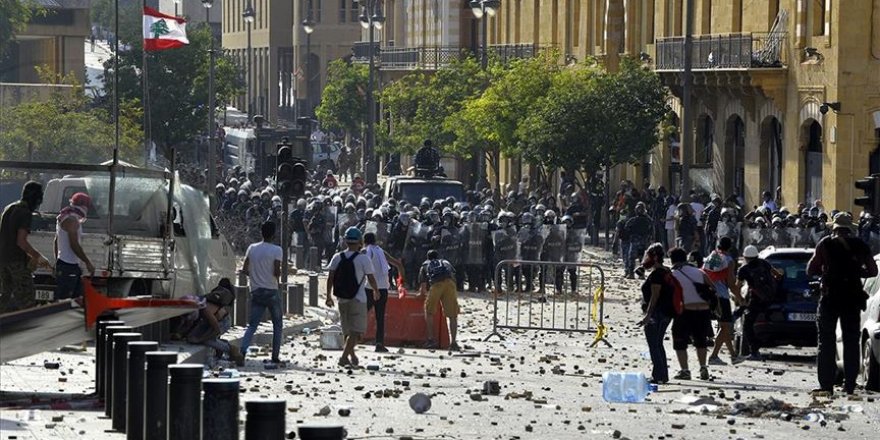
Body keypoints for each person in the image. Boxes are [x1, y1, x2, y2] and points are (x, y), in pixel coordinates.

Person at [807, 212, 878, 396]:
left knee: (826, 342)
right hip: (852, 298)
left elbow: (810, 269)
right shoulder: (860, 245)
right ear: (850, 229)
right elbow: (872, 270)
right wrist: (855, 272)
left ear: (835, 228)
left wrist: (827, 272)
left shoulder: (825, 244)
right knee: (851, 341)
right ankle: (850, 386)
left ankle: (826, 386)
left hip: (830, 298)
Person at [327, 227, 380, 367]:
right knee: (356, 332)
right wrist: (376, 290)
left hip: (341, 298)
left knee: (347, 331)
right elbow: (371, 278)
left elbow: (330, 277)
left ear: (345, 241)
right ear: (360, 242)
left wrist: (328, 295)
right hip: (358, 299)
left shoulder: (337, 257)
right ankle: (344, 357)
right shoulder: (364, 259)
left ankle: (351, 355)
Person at [0, 181, 51, 313]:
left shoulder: (9, 208)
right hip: (16, 262)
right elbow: (21, 241)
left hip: (3, 260)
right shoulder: (24, 212)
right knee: (26, 299)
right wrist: (38, 257)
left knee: (4, 296)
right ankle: (30, 329)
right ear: (36, 199)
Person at [241, 221, 285, 364]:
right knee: (277, 324)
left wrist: (254, 276)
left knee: (252, 325)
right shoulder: (277, 250)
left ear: (261, 232)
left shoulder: (252, 248)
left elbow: (244, 269)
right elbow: (276, 271)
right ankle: (275, 356)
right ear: (274, 234)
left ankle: (242, 351)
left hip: (256, 291)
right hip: (272, 290)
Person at [669, 247, 713, 381]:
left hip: (685, 311)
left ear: (672, 260)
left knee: (679, 340)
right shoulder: (700, 272)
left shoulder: (673, 274)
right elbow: (712, 288)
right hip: (704, 311)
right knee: (701, 340)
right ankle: (703, 367)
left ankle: (685, 370)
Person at [184, 278, 245, 367]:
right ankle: (222, 346)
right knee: (193, 339)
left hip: (222, 322)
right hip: (216, 320)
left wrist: (213, 333)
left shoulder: (204, 310)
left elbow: (214, 323)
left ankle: (231, 350)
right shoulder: (199, 308)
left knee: (206, 340)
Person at [637, 243, 675, 384]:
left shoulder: (657, 275)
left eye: (648, 256)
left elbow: (655, 296)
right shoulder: (666, 271)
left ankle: (658, 376)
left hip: (657, 314)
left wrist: (648, 315)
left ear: (655, 257)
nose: (646, 258)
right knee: (658, 344)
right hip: (666, 313)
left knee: (654, 344)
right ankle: (661, 375)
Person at [735, 245, 779, 362]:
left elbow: (737, 287)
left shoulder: (744, 269)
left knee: (747, 325)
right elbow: (777, 275)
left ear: (745, 257)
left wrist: (741, 300)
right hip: (771, 299)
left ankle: (754, 351)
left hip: (755, 300)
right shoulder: (765, 264)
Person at [703, 237, 743, 365]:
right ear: (730, 247)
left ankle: (733, 355)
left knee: (724, 326)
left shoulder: (712, 256)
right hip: (721, 295)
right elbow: (731, 283)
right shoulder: (729, 260)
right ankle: (715, 356)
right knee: (726, 325)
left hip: (708, 294)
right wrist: (740, 298)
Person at [363, 231, 404, 353]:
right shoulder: (381, 251)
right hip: (383, 288)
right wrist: (401, 282)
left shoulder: (367, 251)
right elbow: (398, 264)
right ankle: (379, 343)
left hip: (370, 288)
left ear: (364, 241)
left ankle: (350, 337)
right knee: (380, 317)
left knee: (361, 313)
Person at [53, 192, 95, 301]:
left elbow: (56, 241)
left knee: (75, 300)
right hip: (69, 266)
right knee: (66, 301)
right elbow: (74, 245)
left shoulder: (63, 217)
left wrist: (57, 261)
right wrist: (87, 262)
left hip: (66, 264)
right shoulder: (72, 220)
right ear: (84, 206)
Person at [419, 249, 460, 351]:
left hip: (436, 285)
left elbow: (423, 288)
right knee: (452, 315)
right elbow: (453, 275)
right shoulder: (446, 262)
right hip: (450, 284)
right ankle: (453, 342)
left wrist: (421, 294)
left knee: (429, 312)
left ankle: (431, 339)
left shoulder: (425, 265)